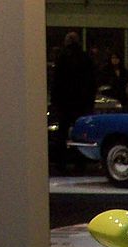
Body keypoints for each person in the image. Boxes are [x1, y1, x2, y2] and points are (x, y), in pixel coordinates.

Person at [49, 31, 96, 170]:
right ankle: (80, 162)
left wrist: (55, 101)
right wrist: (90, 101)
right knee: (80, 133)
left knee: (62, 133)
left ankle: (61, 163)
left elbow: (56, 81)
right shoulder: (85, 58)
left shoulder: (62, 58)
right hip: (82, 103)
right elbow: (92, 81)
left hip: (65, 102)